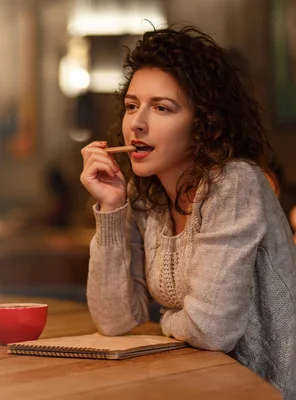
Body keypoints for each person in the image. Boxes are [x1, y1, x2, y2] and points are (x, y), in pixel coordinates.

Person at [80, 26, 296, 398]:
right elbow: (113, 319)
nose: (137, 123)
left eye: (162, 108)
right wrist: (112, 206)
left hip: (269, 389)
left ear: (205, 125)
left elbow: (212, 329)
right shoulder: (145, 196)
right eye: (132, 106)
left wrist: (164, 320)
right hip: (202, 385)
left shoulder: (235, 183)